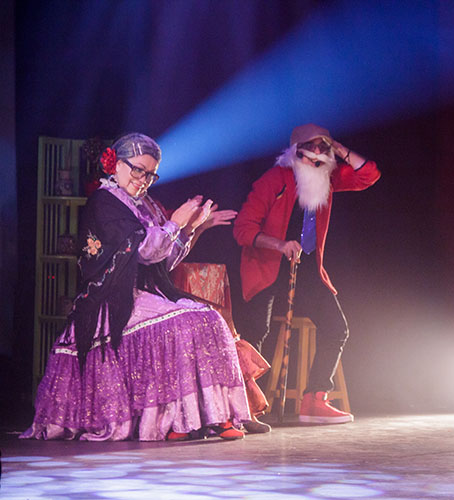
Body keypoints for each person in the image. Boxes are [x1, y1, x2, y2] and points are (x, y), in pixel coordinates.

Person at [21, 133, 251, 441]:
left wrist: (191, 229)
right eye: (137, 170)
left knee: (208, 317)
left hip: (141, 293)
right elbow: (141, 249)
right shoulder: (105, 202)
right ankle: (174, 422)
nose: (143, 180)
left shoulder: (146, 205)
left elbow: (161, 262)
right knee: (185, 322)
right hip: (112, 300)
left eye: (150, 174)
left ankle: (208, 416)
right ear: (115, 164)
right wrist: (175, 224)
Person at [233, 123, 380, 424]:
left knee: (336, 327)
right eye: (313, 147)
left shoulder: (328, 179)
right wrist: (280, 244)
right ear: (296, 152)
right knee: (256, 332)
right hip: (267, 266)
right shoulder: (274, 179)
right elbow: (243, 229)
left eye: (324, 148)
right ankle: (243, 404)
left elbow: (369, 175)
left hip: (307, 269)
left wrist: (339, 149)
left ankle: (314, 400)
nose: (319, 154)